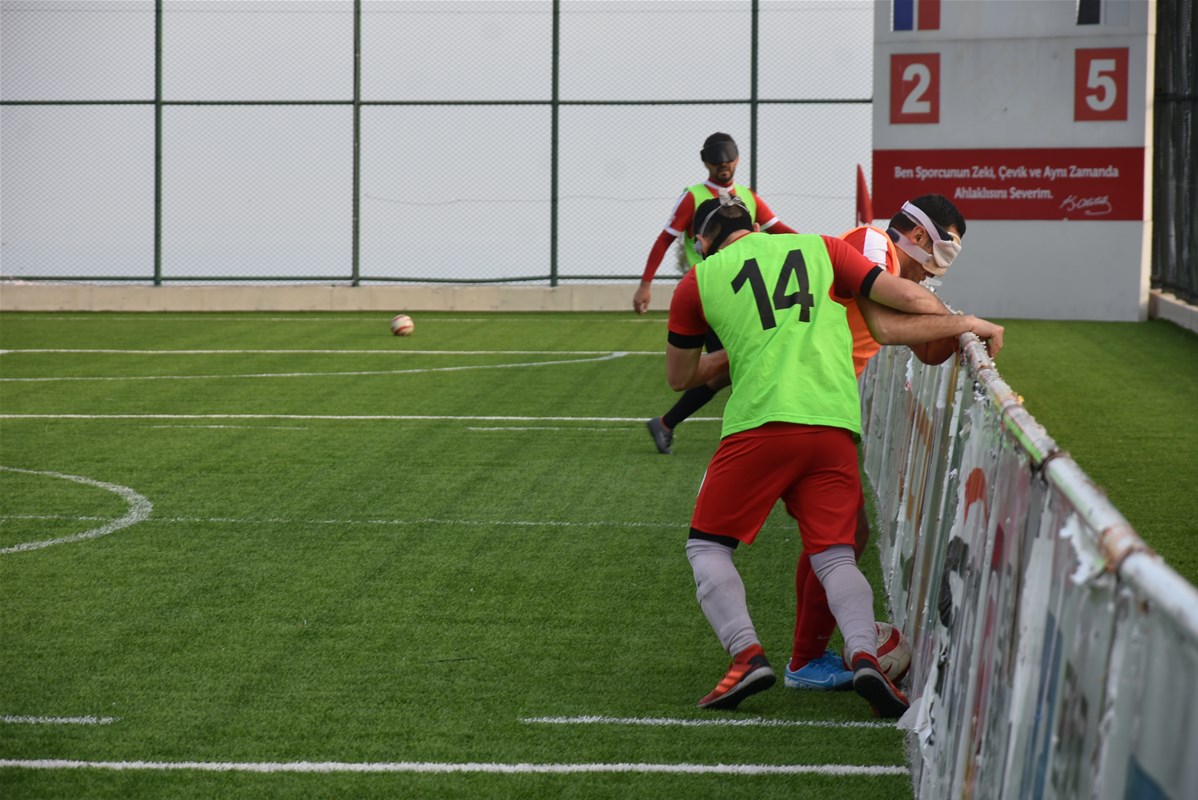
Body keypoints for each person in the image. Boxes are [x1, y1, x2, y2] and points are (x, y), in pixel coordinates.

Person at [666, 195, 1002, 716]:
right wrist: (967, 322)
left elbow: (680, 377)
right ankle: (863, 654)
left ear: (704, 242)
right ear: (757, 225)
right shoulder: (821, 246)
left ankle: (747, 655)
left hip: (760, 421)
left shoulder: (699, 278)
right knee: (839, 553)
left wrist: (743, 345)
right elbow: (899, 303)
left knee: (708, 546)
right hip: (833, 421)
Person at [785, 194, 969, 692]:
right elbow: (885, 326)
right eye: (944, 251)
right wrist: (965, 322)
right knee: (836, 536)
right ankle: (796, 659)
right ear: (918, 235)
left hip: (811, 405)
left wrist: (952, 332)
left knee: (839, 535)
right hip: (803, 406)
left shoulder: (888, 268)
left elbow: (924, 346)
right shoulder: (872, 243)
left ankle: (805, 658)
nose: (936, 272)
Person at [636, 132, 798, 455]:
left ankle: (666, 424)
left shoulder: (748, 197)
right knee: (745, 362)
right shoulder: (693, 197)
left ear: (737, 159)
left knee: (731, 368)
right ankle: (759, 434)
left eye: (728, 159)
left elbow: (780, 231)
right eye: (716, 160)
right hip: (712, 297)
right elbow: (665, 239)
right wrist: (645, 284)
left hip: (746, 296)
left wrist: (817, 249)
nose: (724, 165)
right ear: (705, 162)